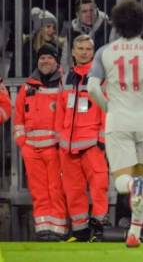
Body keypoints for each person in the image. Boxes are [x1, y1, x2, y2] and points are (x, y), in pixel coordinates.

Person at [87, 0, 143, 247]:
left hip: (119, 119)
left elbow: (92, 87)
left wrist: (108, 108)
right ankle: (135, 231)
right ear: (142, 24)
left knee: (123, 179)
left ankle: (131, 189)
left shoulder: (105, 51)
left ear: (115, 23)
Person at [55, 35, 109, 241]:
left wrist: (102, 139)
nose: (85, 52)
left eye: (88, 48)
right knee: (72, 189)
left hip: (92, 143)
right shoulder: (66, 77)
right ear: (73, 52)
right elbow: (60, 110)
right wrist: (60, 137)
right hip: (68, 145)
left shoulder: (100, 77)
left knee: (99, 186)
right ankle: (80, 231)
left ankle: (99, 228)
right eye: (81, 48)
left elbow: (107, 107)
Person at [13, 44, 68, 241]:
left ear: (56, 61)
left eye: (49, 58)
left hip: (54, 148)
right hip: (31, 148)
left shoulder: (63, 84)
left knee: (56, 189)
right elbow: (18, 116)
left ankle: (58, 229)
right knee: (38, 191)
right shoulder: (27, 86)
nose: (45, 61)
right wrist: (22, 142)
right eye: (42, 58)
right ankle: (43, 229)